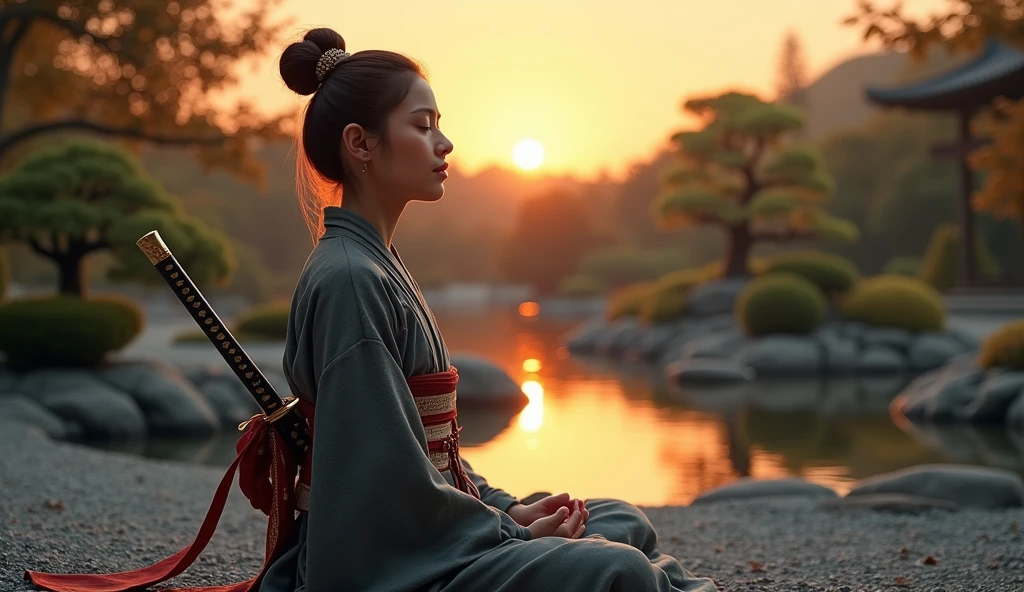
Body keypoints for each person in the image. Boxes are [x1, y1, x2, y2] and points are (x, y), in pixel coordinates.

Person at [256, 27, 720, 592]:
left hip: (428, 535)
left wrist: (505, 511)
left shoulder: (376, 264)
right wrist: (509, 531)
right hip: (385, 565)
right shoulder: (352, 279)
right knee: (616, 566)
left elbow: (435, 455)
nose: (444, 142)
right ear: (361, 144)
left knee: (620, 521)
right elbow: (386, 483)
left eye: (438, 124)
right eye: (423, 126)